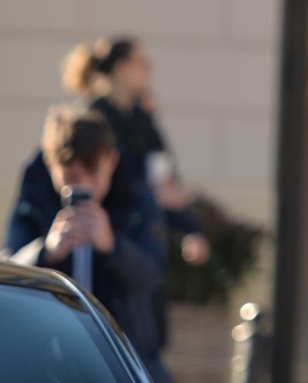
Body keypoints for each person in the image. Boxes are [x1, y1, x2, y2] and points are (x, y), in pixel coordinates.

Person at [5, 104, 169, 383]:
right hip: (46, 368)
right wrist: (47, 253)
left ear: (112, 160)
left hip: (127, 365)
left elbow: (152, 274)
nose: (82, 187)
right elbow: (7, 273)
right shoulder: (34, 197)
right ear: (49, 164)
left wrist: (112, 245)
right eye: (68, 177)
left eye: (91, 172)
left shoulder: (134, 196)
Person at [64, 34, 209, 268]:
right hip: (102, 243)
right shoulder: (91, 119)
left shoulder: (142, 119)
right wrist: (153, 193)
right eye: (142, 63)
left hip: (144, 244)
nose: (148, 70)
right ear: (121, 68)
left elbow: (164, 178)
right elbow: (103, 180)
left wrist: (190, 230)